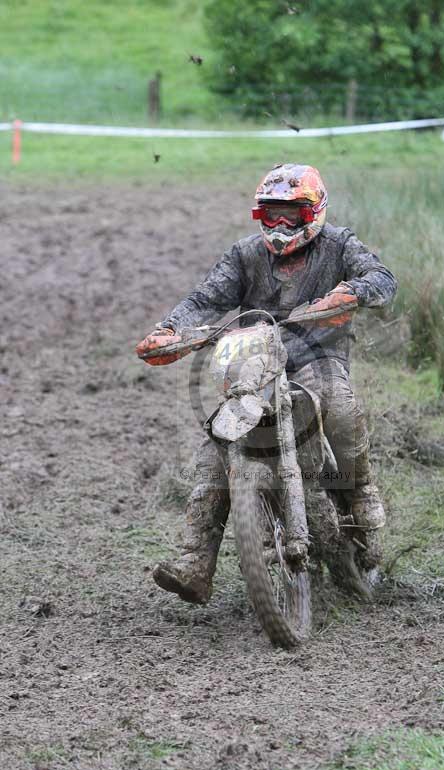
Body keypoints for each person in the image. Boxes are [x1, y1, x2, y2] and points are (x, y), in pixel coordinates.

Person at [136, 164, 397, 604]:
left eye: (291, 215)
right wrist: (170, 330)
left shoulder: (340, 245)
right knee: (220, 435)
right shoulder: (243, 256)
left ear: (313, 212)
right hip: (252, 361)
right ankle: (195, 559)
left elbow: (383, 280)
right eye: (271, 216)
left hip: (319, 355)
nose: (280, 225)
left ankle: (358, 493)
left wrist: (350, 291)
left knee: (336, 402)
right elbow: (205, 300)